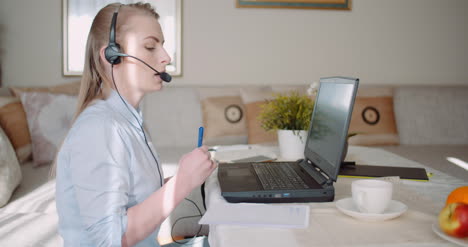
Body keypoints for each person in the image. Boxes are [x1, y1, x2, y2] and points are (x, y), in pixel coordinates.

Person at [54, 2, 216, 247]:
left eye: (161, 45)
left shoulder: (130, 120)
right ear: (112, 56)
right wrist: (183, 181)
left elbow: (132, 194)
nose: (166, 57)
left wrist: (186, 177)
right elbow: (109, 239)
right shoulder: (100, 129)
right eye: (150, 46)